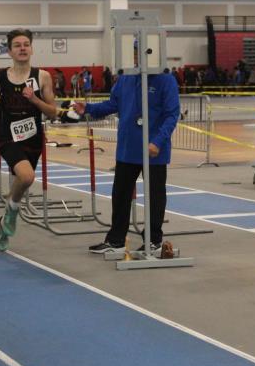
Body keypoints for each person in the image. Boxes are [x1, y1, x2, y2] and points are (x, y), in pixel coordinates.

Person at [74, 69, 179, 255]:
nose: (137, 57)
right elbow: (113, 104)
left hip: (154, 150)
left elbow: (172, 114)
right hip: (128, 148)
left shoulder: (166, 79)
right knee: (120, 194)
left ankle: (153, 240)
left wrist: (158, 141)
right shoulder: (126, 78)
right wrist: (88, 108)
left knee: (155, 195)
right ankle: (116, 240)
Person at [0, 28, 58, 252]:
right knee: (26, 176)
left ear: (31, 49)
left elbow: (53, 112)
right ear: (10, 51)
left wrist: (35, 100)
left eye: (26, 44)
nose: (22, 48)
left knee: (24, 181)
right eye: (17, 45)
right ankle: (12, 212)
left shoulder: (42, 76)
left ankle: (4, 222)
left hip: (32, 137)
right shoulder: (0, 76)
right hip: (7, 134)